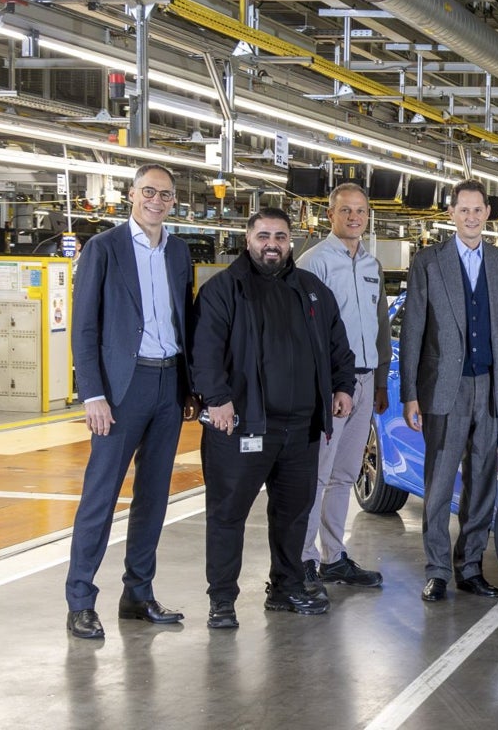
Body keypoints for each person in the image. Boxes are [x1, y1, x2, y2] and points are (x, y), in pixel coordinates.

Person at [191, 207, 356, 629]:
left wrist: (342, 387)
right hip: (242, 427)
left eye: (280, 237)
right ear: (248, 239)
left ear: (291, 242)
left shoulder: (312, 290)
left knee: (293, 514)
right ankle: (222, 599)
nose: (272, 245)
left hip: (300, 429)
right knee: (228, 514)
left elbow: (340, 346)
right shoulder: (223, 290)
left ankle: (285, 587)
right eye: (264, 236)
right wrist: (217, 398)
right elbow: (205, 353)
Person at [399, 180, 498, 602]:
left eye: (477, 209)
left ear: (488, 213)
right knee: (438, 484)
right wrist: (409, 394)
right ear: (451, 214)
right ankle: (436, 572)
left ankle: (469, 567)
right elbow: (413, 331)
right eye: (463, 210)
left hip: (489, 388)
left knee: (483, 483)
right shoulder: (429, 262)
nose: (471, 217)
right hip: (442, 391)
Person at [65, 164, 195, 640]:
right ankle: (80, 600)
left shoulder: (178, 252)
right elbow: (85, 328)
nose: (156, 200)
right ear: (131, 195)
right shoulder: (104, 249)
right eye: (148, 192)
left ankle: (138, 594)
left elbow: (186, 320)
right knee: (100, 496)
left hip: (168, 385)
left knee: (153, 497)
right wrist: (93, 394)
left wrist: (190, 389)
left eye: (165, 194)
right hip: (122, 389)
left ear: (173, 201)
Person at [297, 184, 390, 591]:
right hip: (334, 383)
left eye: (361, 211)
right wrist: (328, 384)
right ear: (330, 214)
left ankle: (333, 557)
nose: (354, 217)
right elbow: (303, 332)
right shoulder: (313, 263)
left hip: (367, 380)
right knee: (317, 474)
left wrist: (381, 381)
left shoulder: (372, 265)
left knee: (346, 473)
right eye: (346, 210)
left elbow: (381, 327)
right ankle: (303, 559)